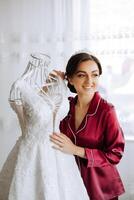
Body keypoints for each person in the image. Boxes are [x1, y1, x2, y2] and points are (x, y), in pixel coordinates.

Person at [0, 53, 89, 200]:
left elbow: (44, 102)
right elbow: (28, 120)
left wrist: (56, 81)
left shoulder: (56, 82)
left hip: (61, 151)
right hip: (33, 152)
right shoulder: (20, 86)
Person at [50, 52, 125, 200]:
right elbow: (35, 111)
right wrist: (51, 84)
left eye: (95, 75)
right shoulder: (64, 107)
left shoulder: (107, 111)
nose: (89, 80)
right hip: (69, 184)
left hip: (100, 189)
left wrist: (75, 150)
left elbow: (115, 154)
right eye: (81, 75)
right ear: (70, 79)